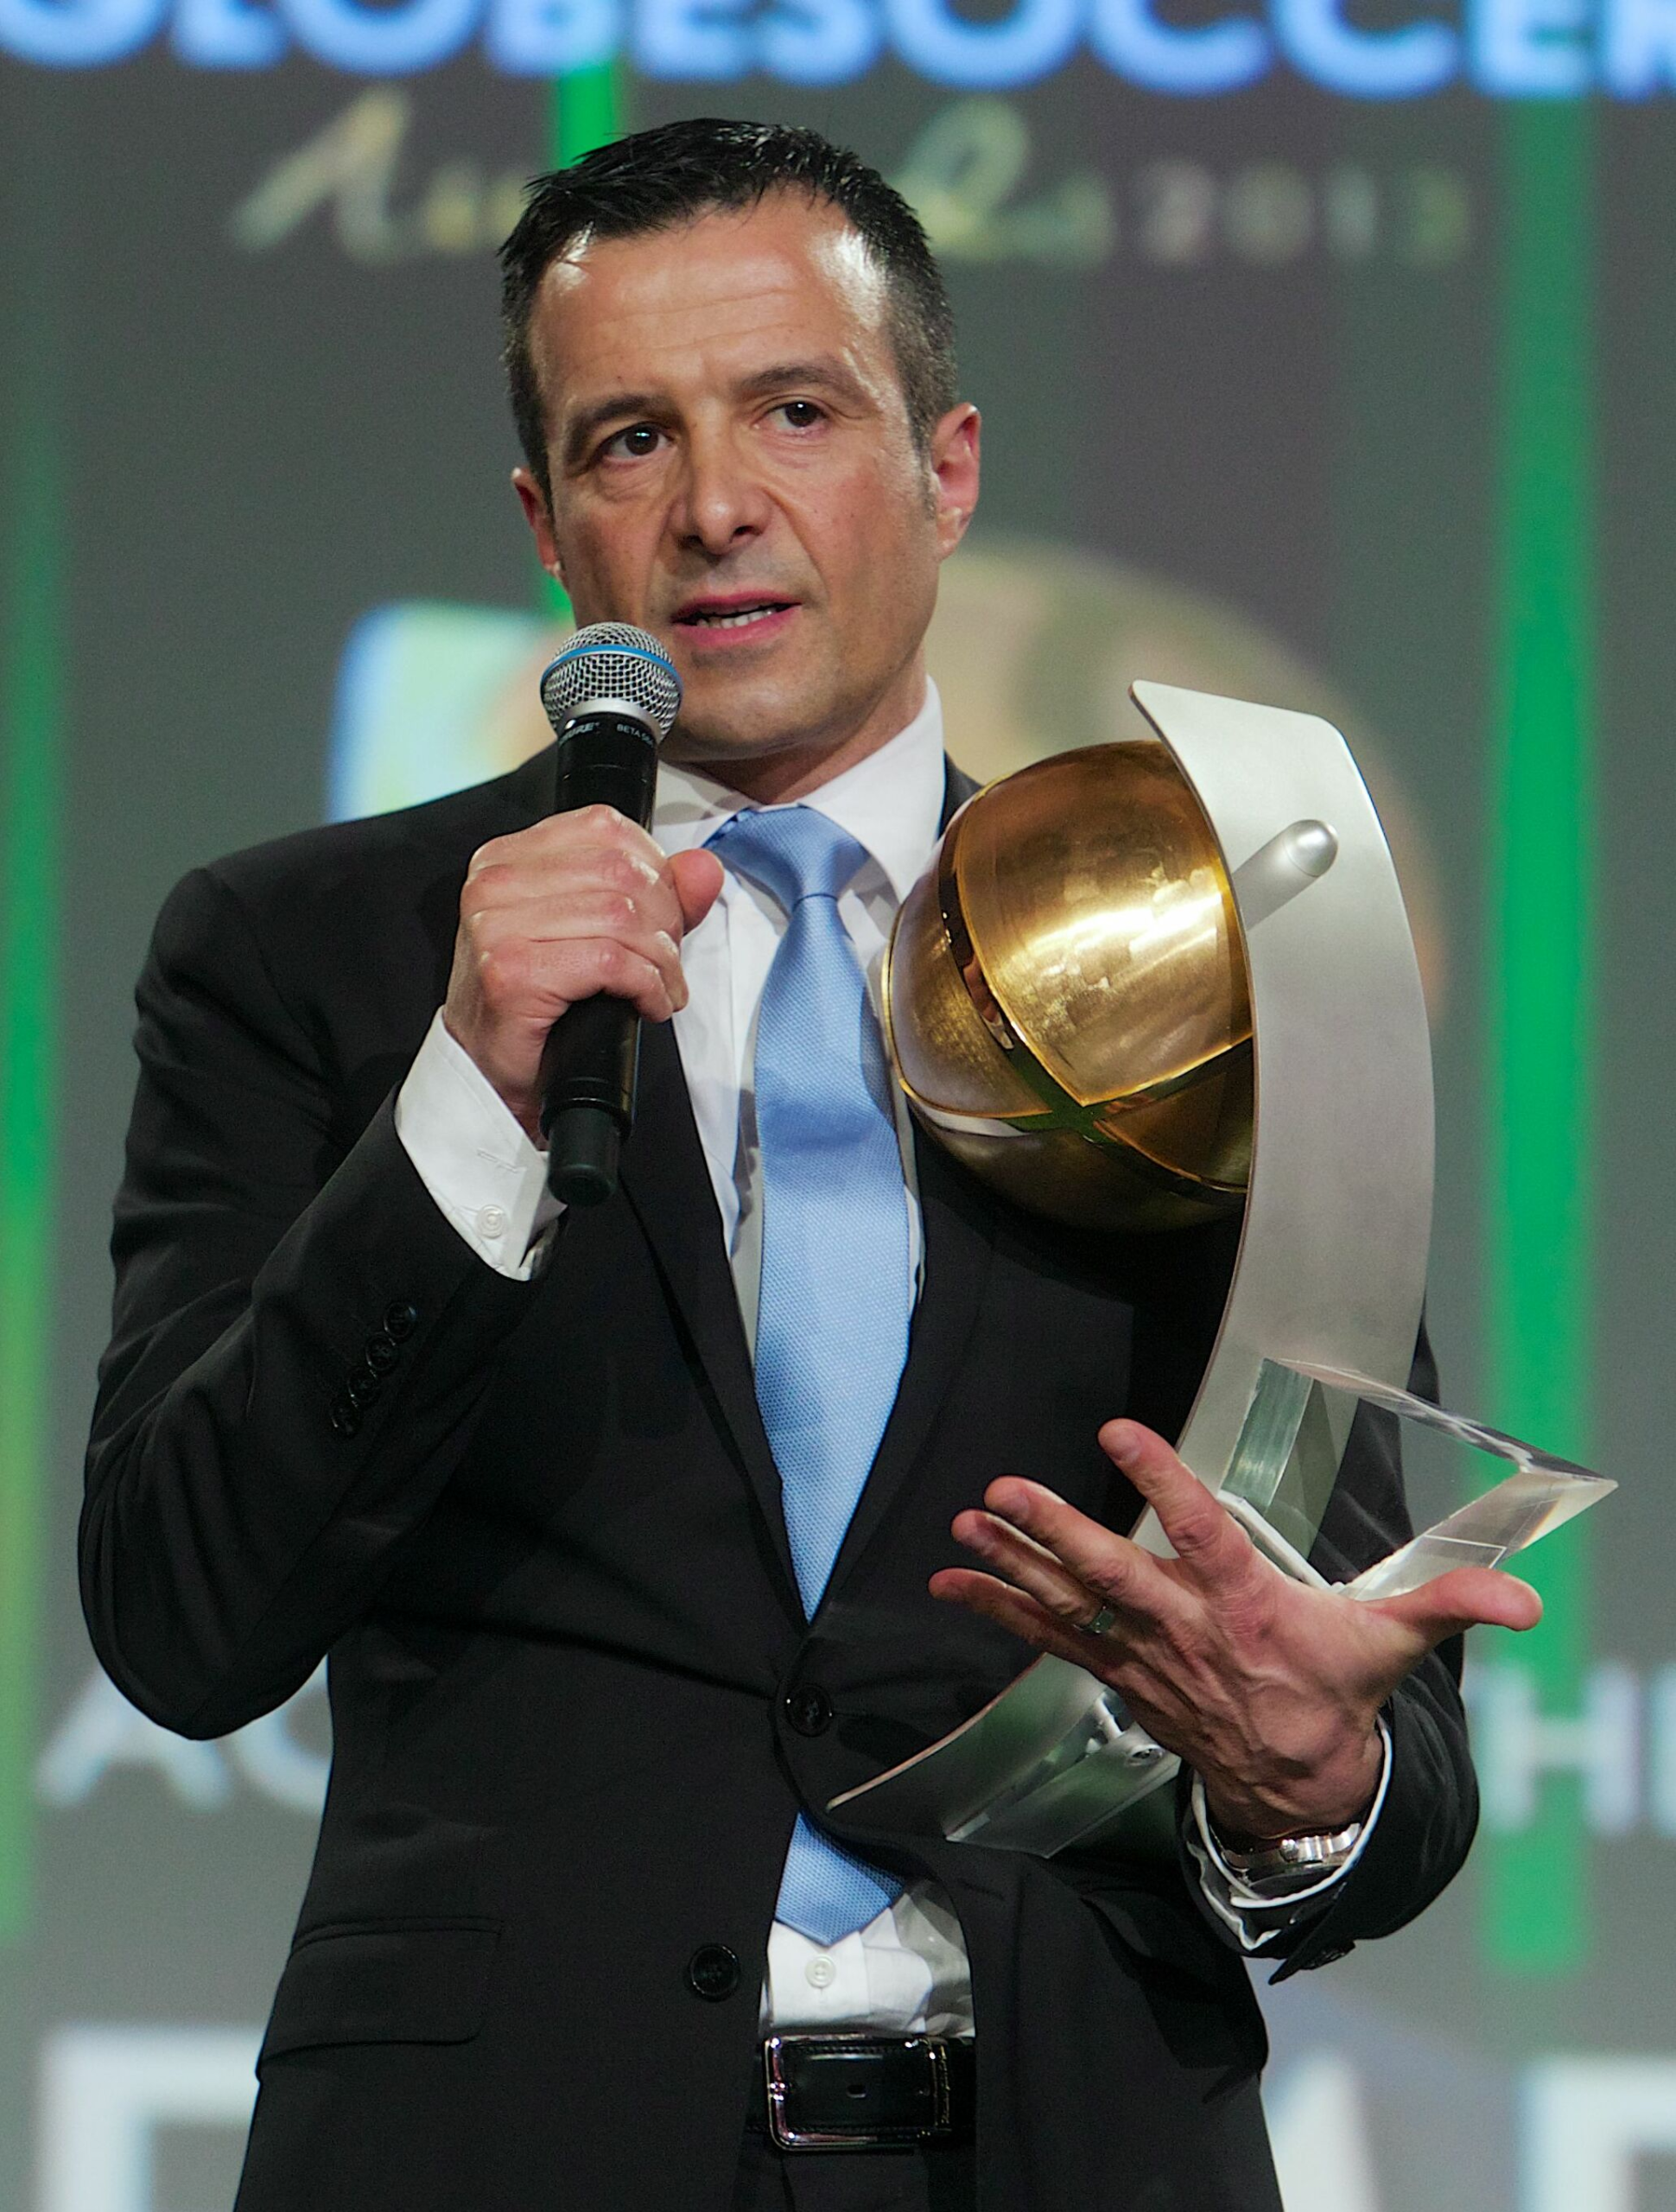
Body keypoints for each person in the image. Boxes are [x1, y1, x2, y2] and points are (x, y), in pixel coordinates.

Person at [82, 118, 1537, 2212]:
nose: (717, 506)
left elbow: (1386, 1768)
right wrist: (472, 1090)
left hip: (1063, 2145)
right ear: (545, 523)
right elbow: (180, 1614)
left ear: (944, 468)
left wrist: (1308, 1780)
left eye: (793, 408)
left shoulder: (1215, 950)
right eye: (626, 442)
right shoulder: (314, 952)